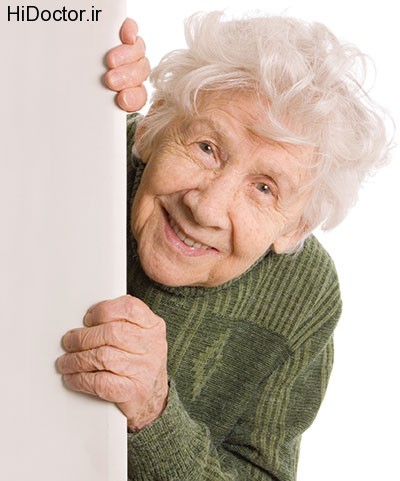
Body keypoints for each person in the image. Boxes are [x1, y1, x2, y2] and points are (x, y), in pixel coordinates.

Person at [56, 12, 390, 481]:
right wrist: (60, 79)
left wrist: (154, 412)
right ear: (153, 127)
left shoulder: (302, 296)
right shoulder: (80, 152)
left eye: (264, 188)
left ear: (296, 228)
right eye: (207, 148)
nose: (207, 208)